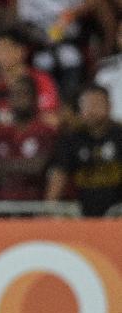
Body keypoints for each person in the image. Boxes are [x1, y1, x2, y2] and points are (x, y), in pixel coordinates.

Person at [47, 86, 122, 216]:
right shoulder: (70, 139)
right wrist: (49, 210)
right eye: (87, 105)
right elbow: (59, 175)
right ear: (80, 109)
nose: (92, 110)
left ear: (109, 106)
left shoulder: (119, 135)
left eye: (96, 104)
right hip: (80, 217)